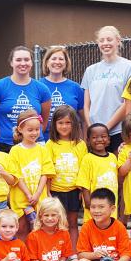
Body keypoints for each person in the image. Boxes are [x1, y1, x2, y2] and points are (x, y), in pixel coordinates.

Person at [0, 46, 51, 150]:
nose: (23, 63)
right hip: (5, 145)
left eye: (26, 60)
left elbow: (44, 123)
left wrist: (30, 135)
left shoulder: (42, 89)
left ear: (32, 62)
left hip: (34, 145)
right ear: (11, 63)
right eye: (18, 60)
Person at [81, 25, 131, 152]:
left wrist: (106, 128)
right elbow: (86, 105)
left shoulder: (130, 67)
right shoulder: (90, 70)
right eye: (102, 40)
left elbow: (127, 102)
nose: (105, 43)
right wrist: (92, 128)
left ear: (118, 41)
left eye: (109, 39)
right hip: (95, 132)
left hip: (118, 130)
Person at [75, 188, 131, 261]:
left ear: (112, 209)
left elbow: (126, 254)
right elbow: (81, 254)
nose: (96, 211)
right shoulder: (86, 226)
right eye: (93, 207)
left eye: (101, 207)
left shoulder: (119, 227)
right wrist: (94, 255)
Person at [7, 109, 55, 239]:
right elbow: (16, 175)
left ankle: (37, 256)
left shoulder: (42, 149)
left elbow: (45, 173)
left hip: (39, 195)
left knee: (38, 230)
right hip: (21, 195)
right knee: (21, 229)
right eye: (30, 130)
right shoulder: (15, 151)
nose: (34, 133)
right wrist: (28, 194)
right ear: (20, 129)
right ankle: (23, 257)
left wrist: (38, 193)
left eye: (37, 129)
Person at [45, 105, 86, 246]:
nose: (64, 126)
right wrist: (47, 191)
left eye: (68, 122)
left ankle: (73, 253)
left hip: (74, 191)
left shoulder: (80, 144)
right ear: (54, 124)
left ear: (74, 124)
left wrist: (81, 190)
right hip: (56, 191)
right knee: (56, 224)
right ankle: (57, 251)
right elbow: (47, 170)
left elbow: (83, 169)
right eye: (60, 123)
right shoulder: (50, 144)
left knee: (72, 223)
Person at [26, 197, 77, 261]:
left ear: (59, 216)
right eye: (46, 215)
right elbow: (33, 260)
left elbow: (65, 256)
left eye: (53, 215)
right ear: (40, 216)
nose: (50, 218)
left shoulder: (64, 233)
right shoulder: (33, 235)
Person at [76, 123, 119, 222]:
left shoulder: (113, 157)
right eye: (94, 137)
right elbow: (84, 185)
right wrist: (89, 204)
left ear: (108, 139)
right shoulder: (87, 159)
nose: (99, 140)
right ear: (88, 141)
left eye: (103, 136)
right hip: (94, 210)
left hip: (111, 209)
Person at [39, 46, 84, 138]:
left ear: (66, 63)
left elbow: (84, 119)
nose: (57, 62)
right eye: (54, 59)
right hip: (43, 140)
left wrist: (84, 141)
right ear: (47, 62)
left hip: (69, 140)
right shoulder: (38, 85)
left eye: (61, 59)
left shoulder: (75, 87)